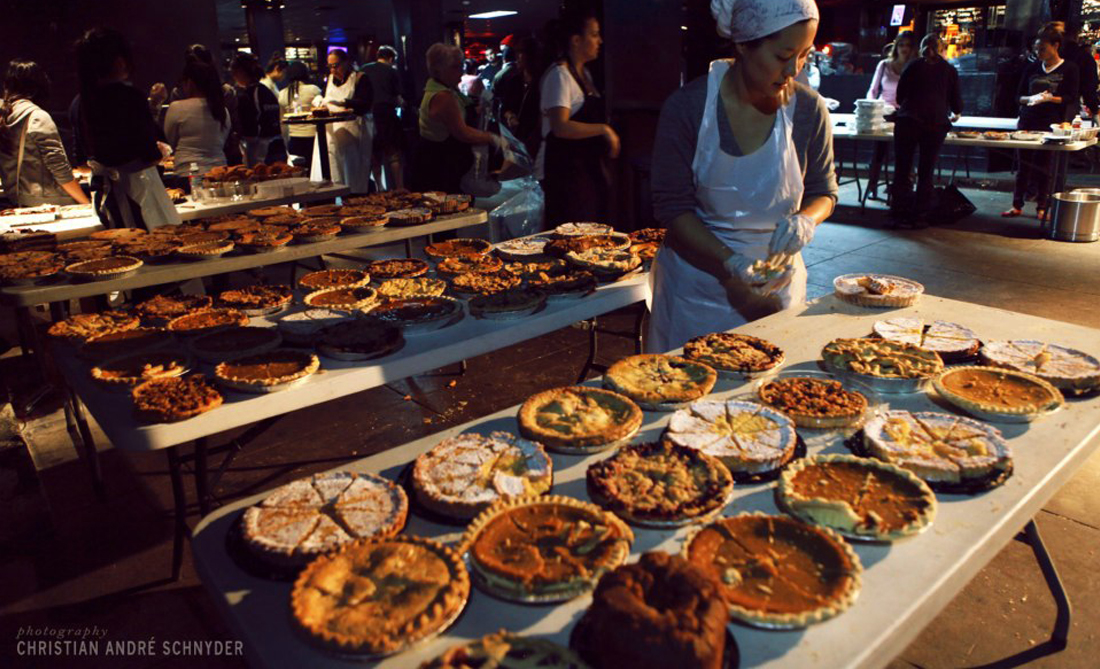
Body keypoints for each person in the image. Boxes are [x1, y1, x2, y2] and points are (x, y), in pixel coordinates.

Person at [648, 0, 836, 353]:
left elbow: (824, 191)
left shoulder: (809, 110)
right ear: (743, 46)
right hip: (696, 289)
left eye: (804, 55)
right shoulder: (688, 108)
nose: (793, 70)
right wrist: (730, 260)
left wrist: (805, 220)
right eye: (783, 56)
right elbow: (673, 209)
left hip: (776, 286)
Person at [76, 27, 181, 230]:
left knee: (124, 252)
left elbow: (83, 156)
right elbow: (148, 154)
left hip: (107, 196)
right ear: (119, 60)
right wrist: (162, 151)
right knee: (158, 248)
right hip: (138, 193)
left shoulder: (82, 102)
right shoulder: (130, 97)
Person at [540, 11, 620, 226]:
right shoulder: (560, 76)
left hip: (587, 168)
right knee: (572, 229)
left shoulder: (586, 75)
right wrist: (604, 130)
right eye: (594, 35)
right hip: (567, 172)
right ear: (576, 40)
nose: (599, 41)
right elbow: (560, 127)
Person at [1004, 28, 1080, 219]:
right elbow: (1018, 96)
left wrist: (1050, 99)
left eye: (1043, 49)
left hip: (1051, 122)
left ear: (1056, 46)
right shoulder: (1032, 68)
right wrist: (1030, 98)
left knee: (1045, 166)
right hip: (1028, 119)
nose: (1039, 54)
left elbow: (1071, 96)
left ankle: (1042, 206)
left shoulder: (1069, 68)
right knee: (1024, 166)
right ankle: (1017, 204)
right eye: (1037, 50)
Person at [890, 33, 962, 226]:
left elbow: (900, 96)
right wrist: (954, 111)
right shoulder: (949, 70)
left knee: (903, 168)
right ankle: (920, 214)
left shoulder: (912, 66)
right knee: (926, 170)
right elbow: (957, 104)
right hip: (935, 124)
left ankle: (899, 211)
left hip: (908, 121)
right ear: (941, 49)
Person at [413, 43, 504, 194]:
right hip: (441, 166)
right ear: (440, 69)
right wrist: (493, 138)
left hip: (435, 161)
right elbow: (463, 133)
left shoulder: (440, 90)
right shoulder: (443, 96)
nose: (461, 72)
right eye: (455, 67)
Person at [0, 60, 89, 207]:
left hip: (18, 201)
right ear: (40, 87)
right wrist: (86, 203)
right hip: (51, 203)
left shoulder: (5, 115)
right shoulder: (37, 117)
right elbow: (60, 169)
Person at [310, 48, 374, 193]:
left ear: (346, 63)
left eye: (336, 66)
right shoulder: (329, 80)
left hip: (352, 132)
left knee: (354, 172)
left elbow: (365, 104)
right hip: (332, 132)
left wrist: (343, 103)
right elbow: (324, 97)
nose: (333, 70)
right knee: (334, 169)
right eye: (330, 66)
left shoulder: (359, 78)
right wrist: (319, 99)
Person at [865, 31, 917, 198]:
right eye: (901, 45)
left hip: (905, 114)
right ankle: (872, 185)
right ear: (896, 46)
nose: (904, 48)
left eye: (908, 45)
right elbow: (872, 90)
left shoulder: (915, 66)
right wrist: (869, 109)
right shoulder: (884, 65)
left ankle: (901, 189)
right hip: (884, 112)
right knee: (879, 151)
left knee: (904, 152)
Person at [163, 60, 229, 176]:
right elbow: (222, 140)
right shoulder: (223, 110)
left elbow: (169, 142)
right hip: (219, 172)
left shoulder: (177, 107)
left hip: (188, 173)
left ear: (190, 83)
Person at [362, 45, 405, 190]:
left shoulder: (364, 69)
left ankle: (380, 188)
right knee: (393, 154)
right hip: (386, 114)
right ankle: (399, 188)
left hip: (368, 116)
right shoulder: (391, 71)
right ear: (391, 58)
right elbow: (398, 98)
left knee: (375, 155)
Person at [230, 53, 281, 167]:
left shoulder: (249, 93)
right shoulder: (265, 90)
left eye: (234, 72)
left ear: (241, 71)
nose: (233, 76)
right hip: (276, 144)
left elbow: (250, 124)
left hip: (260, 148)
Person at [497, 36, 544, 159]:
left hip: (536, 139)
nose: (517, 57)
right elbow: (505, 107)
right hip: (516, 136)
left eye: (521, 53)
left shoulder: (542, 81)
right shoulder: (513, 80)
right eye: (517, 53)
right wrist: (510, 115)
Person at [1044, 21, 1098, 121]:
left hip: (1038, 110)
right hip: (1066, 111)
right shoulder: (1083, 57)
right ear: (1075, 35)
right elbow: (1089, 87)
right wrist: (1094, 109)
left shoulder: (1040, 60)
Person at [277, 60, 321, 167]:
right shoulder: (313, 90)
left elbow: (282, 122)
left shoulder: (282, 94)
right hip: (313, 136)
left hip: (294, 139)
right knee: (315, 170)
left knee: (299, 171)